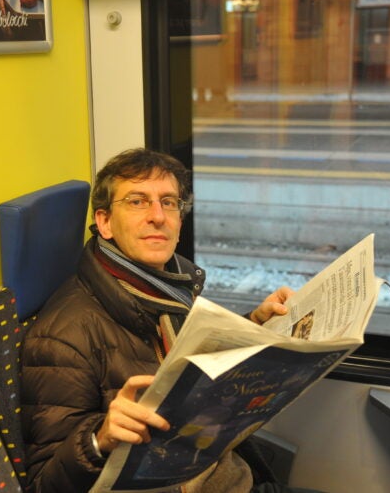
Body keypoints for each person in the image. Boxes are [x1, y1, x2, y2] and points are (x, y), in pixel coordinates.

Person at [20, 148, 304, 492]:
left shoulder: (170, 287)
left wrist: (255, 325)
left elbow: (194, 367)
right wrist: (98, 439)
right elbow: (43, 485)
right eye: (138, 201)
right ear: (105, 222)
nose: (158, 216)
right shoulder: (62, 337)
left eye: (168, 202)